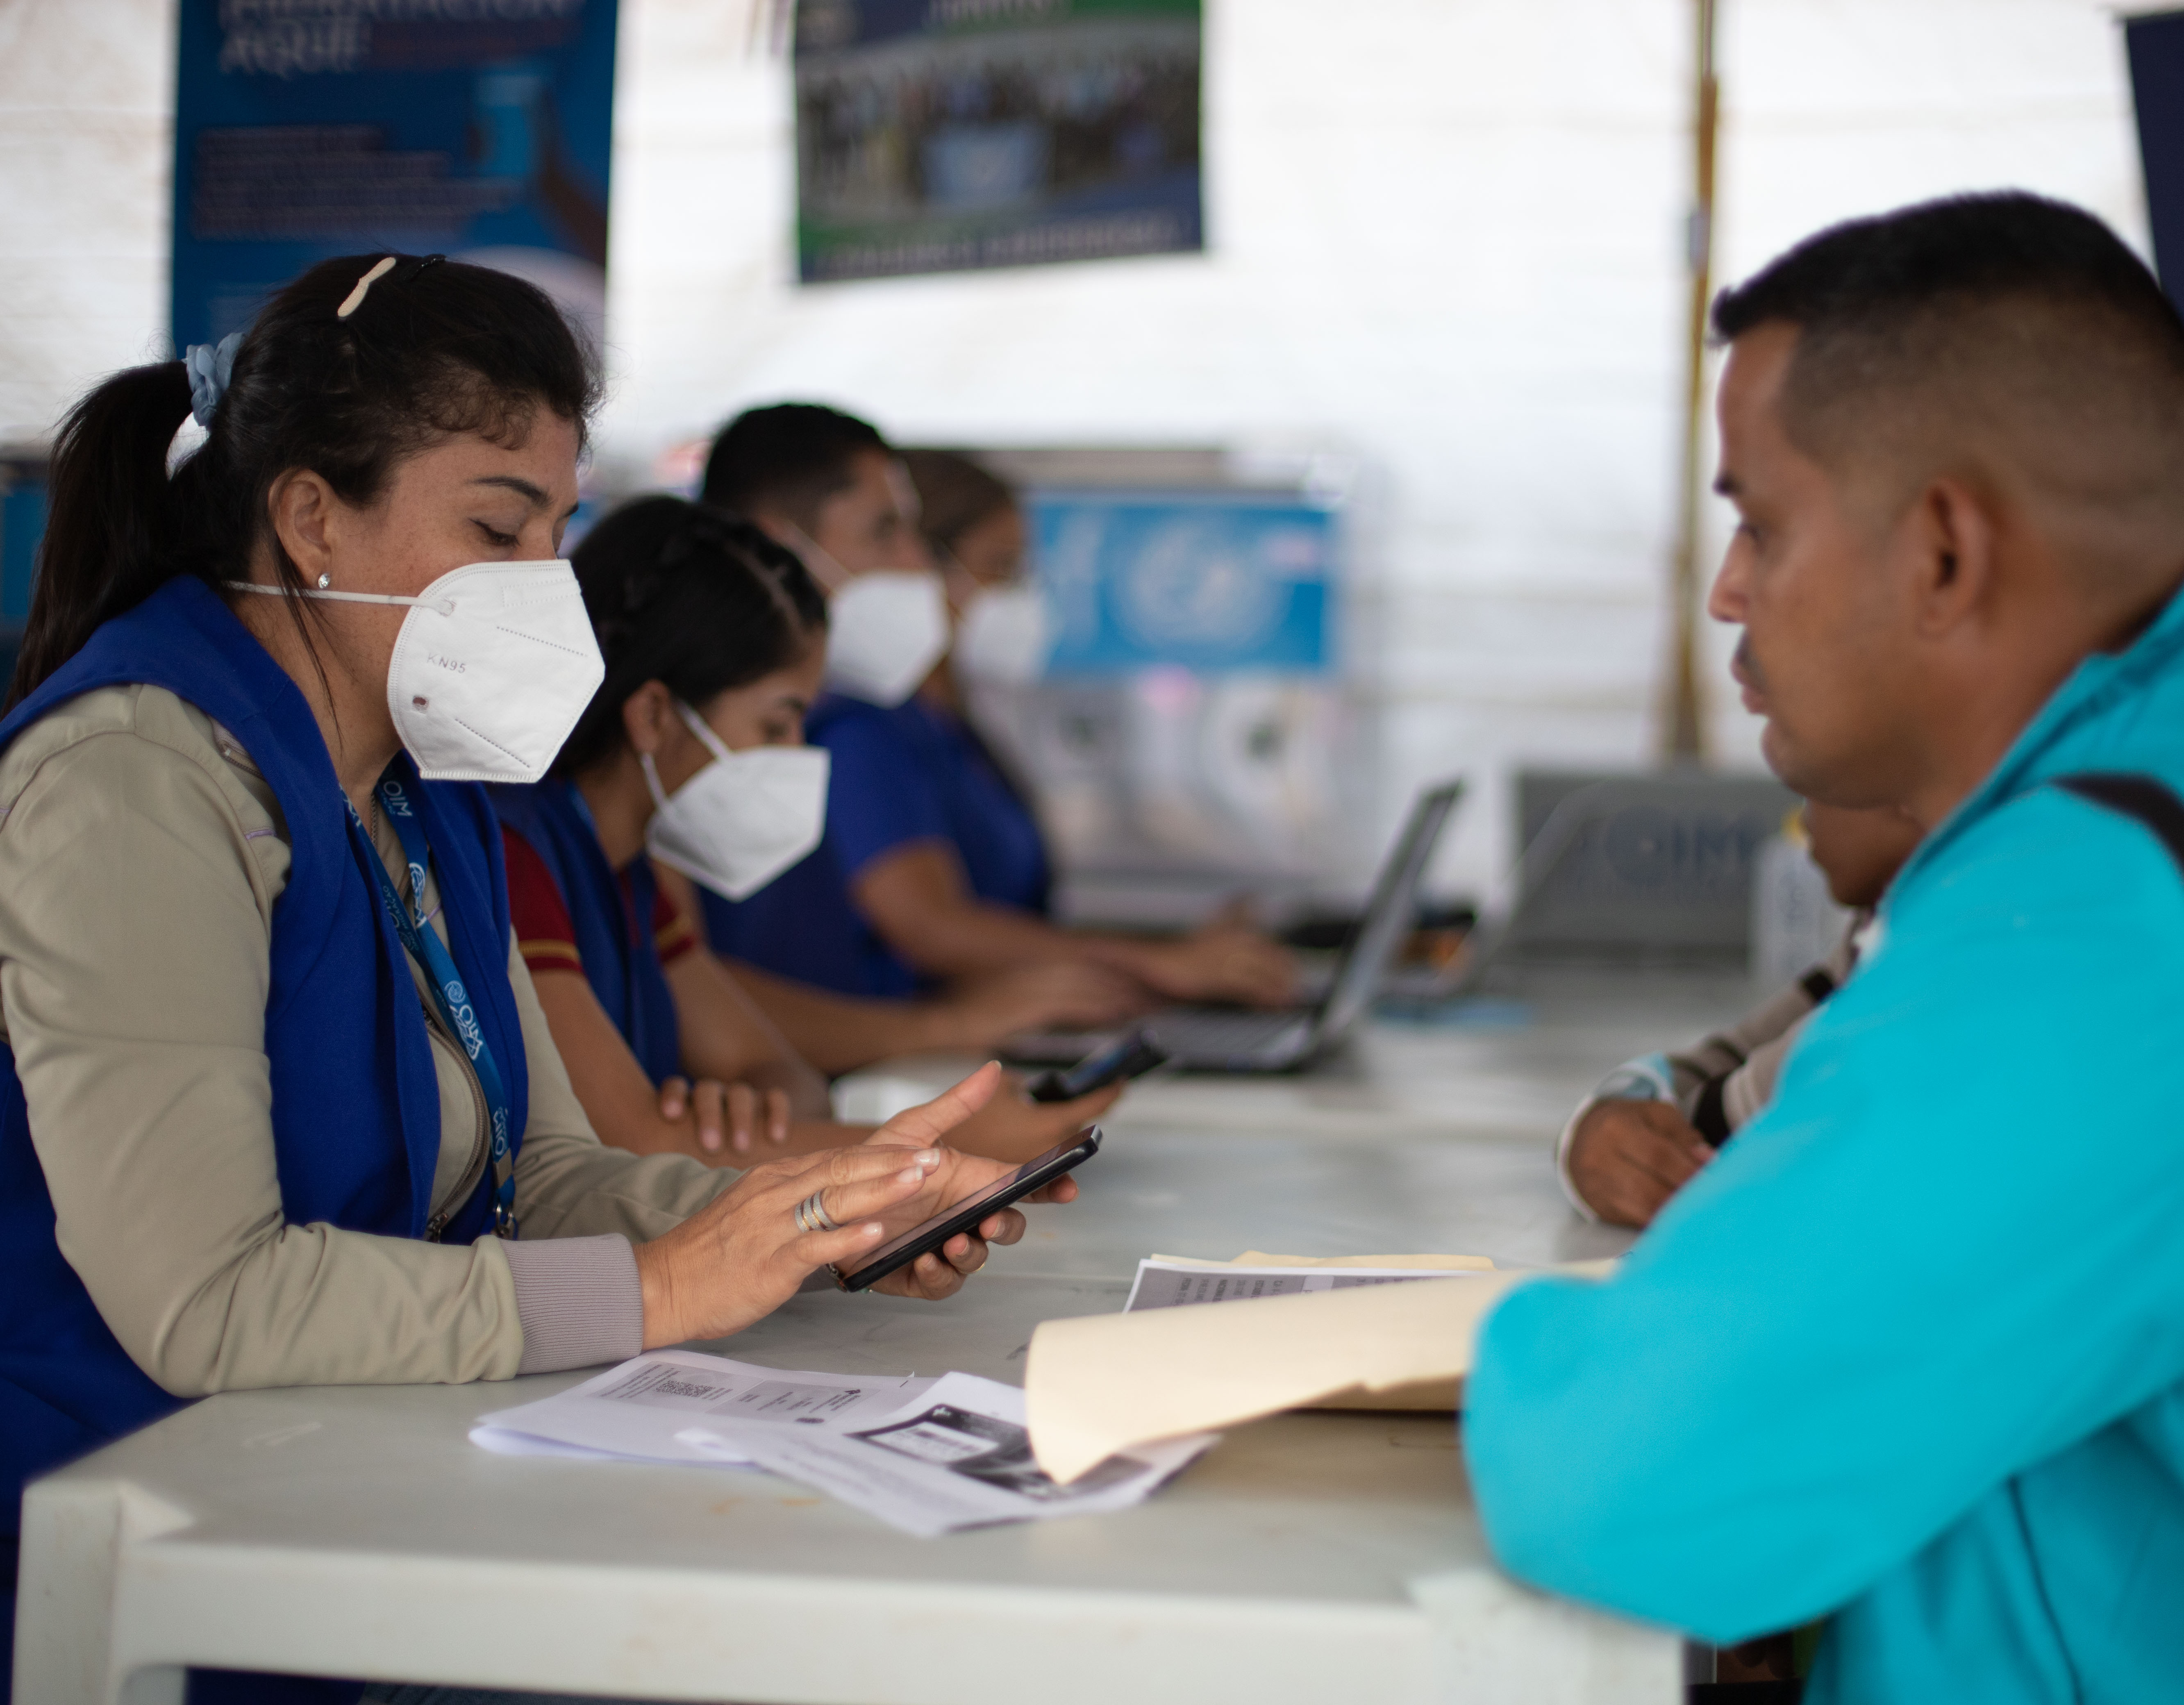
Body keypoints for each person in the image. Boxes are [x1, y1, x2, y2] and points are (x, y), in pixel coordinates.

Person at [1462, 194, 2184, 1701]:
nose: (1727, 588)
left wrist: (1480, 1344)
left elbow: (1625, 1482)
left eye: (1760, 524)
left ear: (1944, 550)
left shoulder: (2107, 925)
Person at [0, 255, 1069, 1702]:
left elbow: (543, 1173)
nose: (541, 588)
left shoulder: (426, 788)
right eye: (497, 528)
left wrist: (813, 1217)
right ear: (311, 513)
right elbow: (209, 1304)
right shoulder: (138, 778)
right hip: (138, 1531)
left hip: (347, 1484)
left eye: (558, 533)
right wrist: (662, 1285)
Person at [497, 494, 1118, 1162]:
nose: (797, 753)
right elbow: (635, 1141)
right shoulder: (519, 854)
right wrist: (940, 1143)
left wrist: (753, 1109)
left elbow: (785, 1076)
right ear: (653, 716)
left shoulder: (628, 872)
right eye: (775, 724)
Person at [691, 407, 1298, 1040]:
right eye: (886, 533)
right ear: (778, 543)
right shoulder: (852, 728)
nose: (913, 565)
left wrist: (1160, 962)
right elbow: (928, 929)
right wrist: (1158, 965)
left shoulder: (928, 726)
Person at [1559, 801, 1920, 1228]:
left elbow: (1715, 1133)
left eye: (1824, 783)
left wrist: (1609, 1139)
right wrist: (1598, 1131)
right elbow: (1728, 1054)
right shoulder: (1875, 927)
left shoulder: (1930, 959)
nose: (1803, 814)